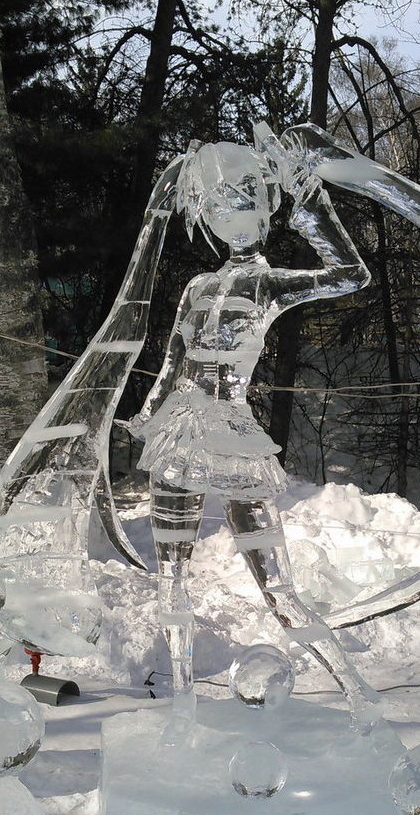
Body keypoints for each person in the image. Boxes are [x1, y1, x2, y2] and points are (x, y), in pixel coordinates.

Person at [125, 128, 384, 746]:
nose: (232, 217)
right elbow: (172, 362)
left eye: (245, 203)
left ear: (266, 209)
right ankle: (182, 708)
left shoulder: (268, 285)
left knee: (278, 585)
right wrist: (145, 415)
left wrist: (311, 203)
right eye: (219, 207)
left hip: (234, 434)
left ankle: (358, 696)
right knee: (171, 579)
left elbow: (351, 275)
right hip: (180, 437)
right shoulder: (196, 288)